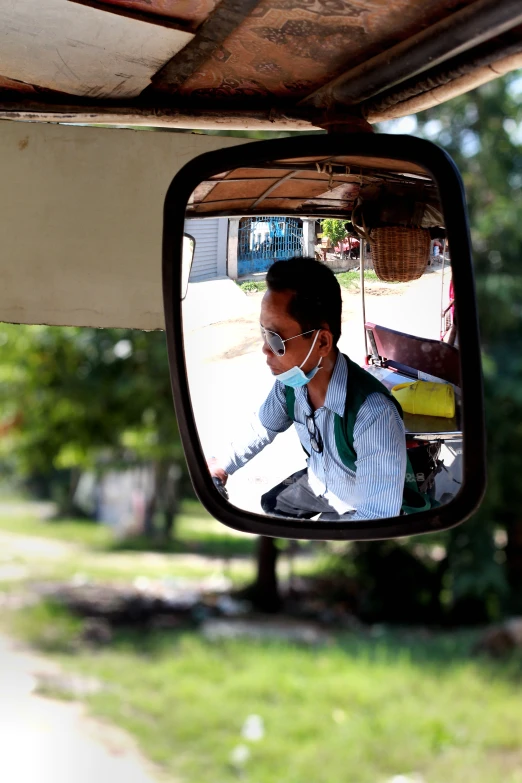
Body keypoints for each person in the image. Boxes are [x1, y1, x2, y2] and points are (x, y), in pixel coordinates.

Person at [208, 257, 407, 521]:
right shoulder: (290, 386)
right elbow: (260, 428)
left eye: (276, 339)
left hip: (356, 501)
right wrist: (222, 466)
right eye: (263, 333)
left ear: (322, 341)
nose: (265, 350)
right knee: (273, 504)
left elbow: (377, 517)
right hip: (319, 482)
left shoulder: (373, 415)